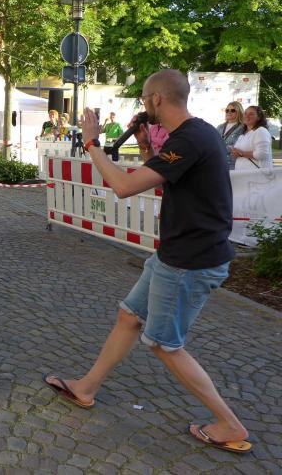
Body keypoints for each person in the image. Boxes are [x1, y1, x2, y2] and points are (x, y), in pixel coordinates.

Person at [44, 69, 252, 454]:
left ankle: (228, 423)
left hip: (190, 261)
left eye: (143, 98)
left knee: (164, 344)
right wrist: (144, 149)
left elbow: (124, 187)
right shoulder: (196, 133)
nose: (143, 105)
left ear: (157, 99)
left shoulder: (189, 139)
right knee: (129, 316)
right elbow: (162, 179)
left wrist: (91, 143)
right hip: (176, 253)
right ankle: (86, 388)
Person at [232, 105, 273, 170]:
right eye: (245, 113)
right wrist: (235, 152)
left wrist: (241, 153)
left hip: (256, 174)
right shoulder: (243, 134)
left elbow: (262, 154)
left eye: (251, 114)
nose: (247, 116)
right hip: (242, 173)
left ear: (258, 117)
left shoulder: (261, 131)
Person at [217, 102, 244, 169]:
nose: (229, 112)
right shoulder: (220, 127)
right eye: (227, 110)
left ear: (239, 112)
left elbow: (238, 146)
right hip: (219, 161)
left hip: (233, 164)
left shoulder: (243, 127)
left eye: (232, 110)